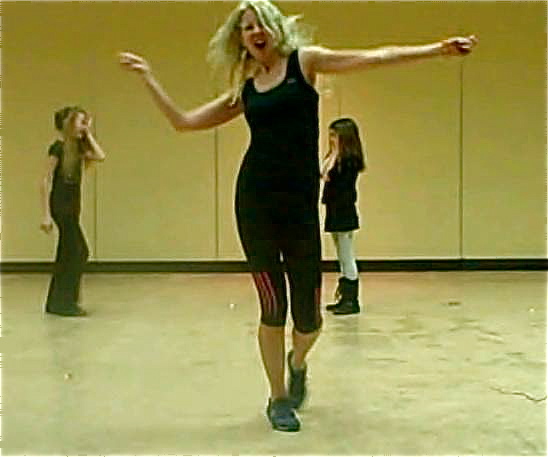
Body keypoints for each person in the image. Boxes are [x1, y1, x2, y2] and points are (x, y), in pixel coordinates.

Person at [119, 0, 477, 432]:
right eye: (247, 27)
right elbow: (184, 122)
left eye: (261, 24)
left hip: (300, 206)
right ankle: (278, 397)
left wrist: (436, 49)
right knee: (272, 307)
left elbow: (373, 57)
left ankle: (298, 361)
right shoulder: (247, 89)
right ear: (240, 39)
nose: (256, 32)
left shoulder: (305, 63)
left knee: (309, 319)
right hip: (255, 202)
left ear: (275, 28)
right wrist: (148, 78)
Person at [40, 106, 106, 317]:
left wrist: (88, 134)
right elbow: (45, 180)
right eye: (80, 122)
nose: (83, 126)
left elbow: (100, 155)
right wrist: (45, 215)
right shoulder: (58, 148)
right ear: (68, 125)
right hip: (61, 207)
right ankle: (66, 301)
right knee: (79, 251)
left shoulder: (77, 150)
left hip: (72, 207)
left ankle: (57, 302)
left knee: (67, 253)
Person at [321, 118, 366, 315]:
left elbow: (334, 179)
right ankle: (344, 296)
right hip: (335, 209)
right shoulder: (335, 157)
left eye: (334, 135)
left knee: (347, 256)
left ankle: (351, 299)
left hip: (344, 210)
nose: (331, 139)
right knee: (341, 255)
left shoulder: (348, 160)